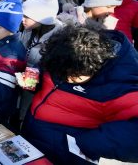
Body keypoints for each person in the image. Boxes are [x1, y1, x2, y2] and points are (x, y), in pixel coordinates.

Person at [22, 25, 138, 164]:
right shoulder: (64, 51)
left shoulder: (120, 85)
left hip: (63, 154)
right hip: (32, 137)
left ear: (93, 68)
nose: (65, 80)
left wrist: (93, 143)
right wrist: (35, 80)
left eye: (72, 77)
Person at [18, 0, 63, 123]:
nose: (22, 19)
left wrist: (29, 80)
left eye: (27, 16)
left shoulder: (59, 39)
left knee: (26, 119)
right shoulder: (29, 31)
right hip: (23, 84)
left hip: (38, 91)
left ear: (42, 17)